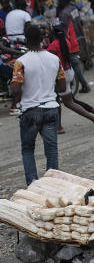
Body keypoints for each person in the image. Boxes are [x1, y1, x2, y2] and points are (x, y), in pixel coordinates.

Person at [11, 23, 65, 185]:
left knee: (28, 150)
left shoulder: (21, 62)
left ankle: (34, 184)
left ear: (26, 40)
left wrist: (19, 100)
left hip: (30, 110)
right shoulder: (54, 59)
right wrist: (49, 90)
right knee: (51, 149)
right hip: (51, 108)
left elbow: (16, 89)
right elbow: (62, 87)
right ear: (42, 39)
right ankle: (53, 184)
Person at [46, 25, 94, 134]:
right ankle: (59, 126)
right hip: (68, 72)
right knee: (64, 101)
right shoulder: (66, 42)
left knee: (68, 103)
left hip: (60, 76)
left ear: (53, 33)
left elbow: (49, 62)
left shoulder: (53, 46)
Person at [56, 0, 91, 93]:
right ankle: (81, 84)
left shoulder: (64, 14)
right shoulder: (74, 8)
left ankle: (85, 85)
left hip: (71, 42)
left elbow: (64, 30)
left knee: (74, 64)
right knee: (75, 64)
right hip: (78, 37)